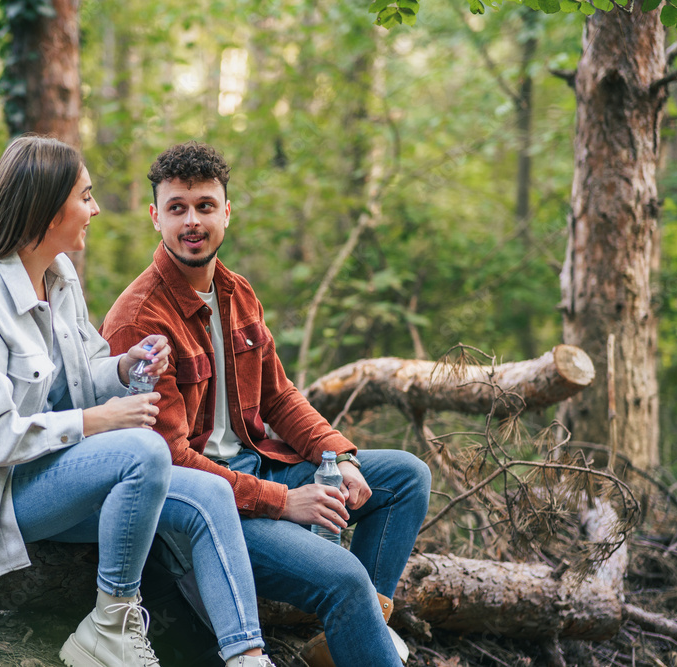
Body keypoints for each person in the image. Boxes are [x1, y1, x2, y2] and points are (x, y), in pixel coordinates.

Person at [0, 135, 277, 667]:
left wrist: (123, 367)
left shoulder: (59, 277)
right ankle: (110, 623)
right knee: (142, 450)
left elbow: (80, 375)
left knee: (206, 492)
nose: (94, 208)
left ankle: (247, 656)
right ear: (48, 211)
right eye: (85, 196)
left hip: (55, 476)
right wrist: (98, 421)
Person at [102, 141, 432, 667]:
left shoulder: (238, 293)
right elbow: (170, 462)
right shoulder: (138, 318)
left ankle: (348, 636)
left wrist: (336, 455)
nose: (192, 221)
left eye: (205, 206)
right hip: (209, 512)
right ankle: (354, 615)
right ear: (155, 217)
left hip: (264, 471)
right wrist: (287, 504)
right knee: (344, 578)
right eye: (177, 208)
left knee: (406, 478)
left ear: (226, 213)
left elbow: (279, 396)